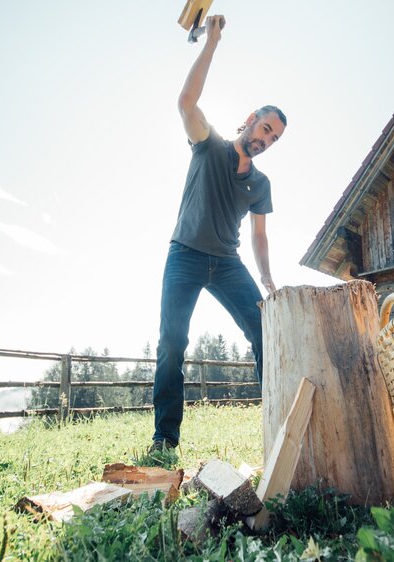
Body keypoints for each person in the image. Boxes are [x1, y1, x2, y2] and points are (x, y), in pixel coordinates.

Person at [151, 14, 287, 452]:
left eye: (275, 138)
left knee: (264, 330)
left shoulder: (261, 185)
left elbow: (260, 237)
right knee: (173, 342)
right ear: (250, 120)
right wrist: (212, 41)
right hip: (185, 256)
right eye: (266, 128)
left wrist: (265, 276)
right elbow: (186, 102)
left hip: (228, 264)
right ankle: (165, 438)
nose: (266, 139)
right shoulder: (207, 145)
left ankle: (277, 426)